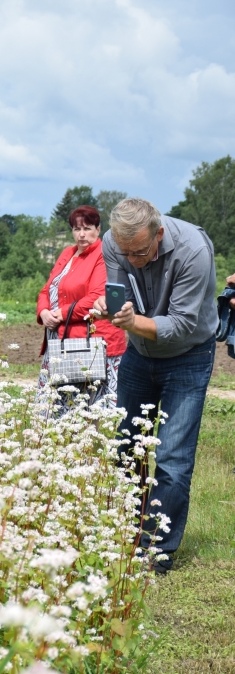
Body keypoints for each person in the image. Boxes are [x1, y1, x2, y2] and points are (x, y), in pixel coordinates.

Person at [93, 198, 218, 575]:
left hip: (188, 355)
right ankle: (130, 536)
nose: (131, 258)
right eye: (124, 251)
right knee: (126, 446)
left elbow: (179, 325)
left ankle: (157, 553)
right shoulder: (114, 243)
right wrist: (110, 306)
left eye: (140, 251)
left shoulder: (193, 250)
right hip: (138, 354)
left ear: (158, 234)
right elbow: (120, 293)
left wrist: (131, 323)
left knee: (173, 459)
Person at [36, 205, 126, 405]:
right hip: (60, 339)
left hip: (92, 343)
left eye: (87, 228)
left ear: (98, 229)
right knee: (56, 408)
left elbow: (95, 297)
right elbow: (47, 289)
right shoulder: (67, 253)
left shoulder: (104, 254)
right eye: (77, 229)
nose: (82, 235)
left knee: (90, 407)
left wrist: (61, 313)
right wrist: (43, 312)